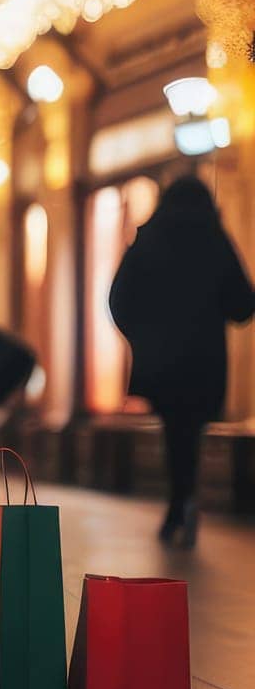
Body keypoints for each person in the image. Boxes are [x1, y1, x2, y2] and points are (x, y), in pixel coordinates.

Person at [109, 173, 255, 547]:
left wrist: (141, 337)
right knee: (192, 429)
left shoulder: (149, 239)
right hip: (205, 360)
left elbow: (118, 299)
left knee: (175, 428)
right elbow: (242, 304)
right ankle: (185, 499)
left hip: (161, 361)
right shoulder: (215, 240)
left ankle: (179, 502)